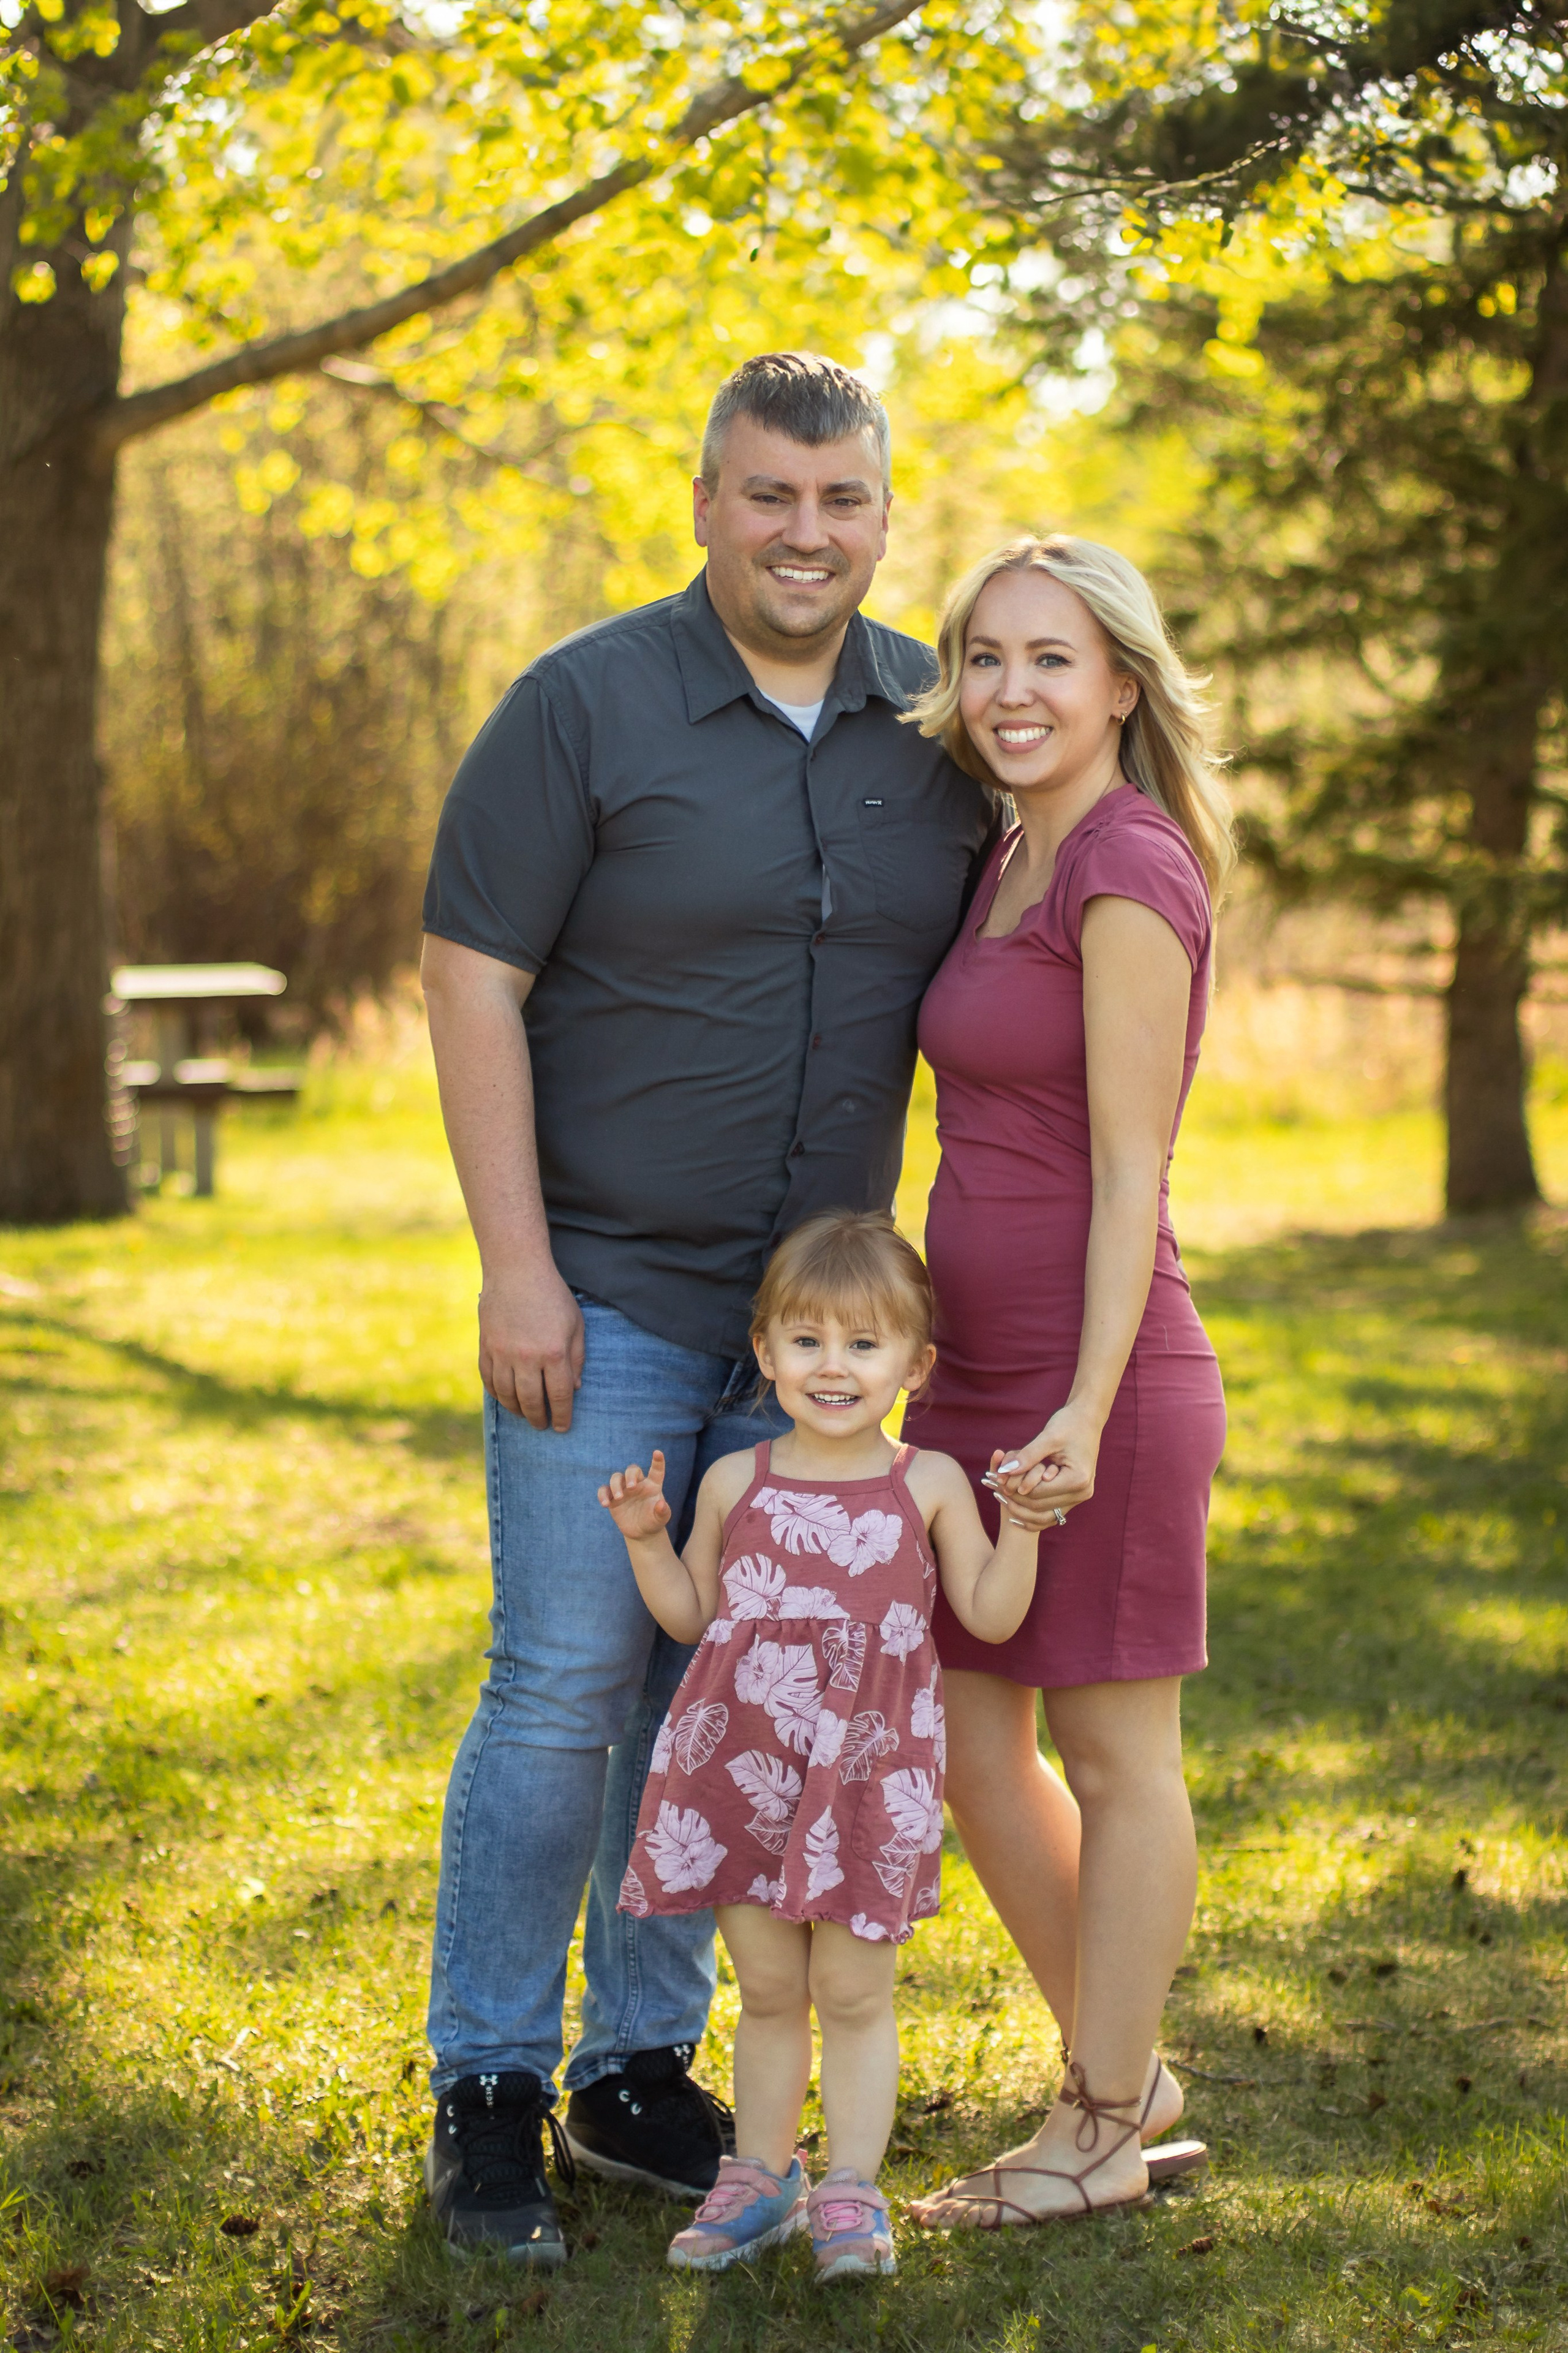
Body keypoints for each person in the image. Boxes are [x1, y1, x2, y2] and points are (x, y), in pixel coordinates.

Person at [417, 353, 998, 2265]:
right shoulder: (582, 705)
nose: (804, 534)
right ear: (706, 503)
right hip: (602, 1296)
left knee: (720, 1692)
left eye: (841, 500)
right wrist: (516, 1265)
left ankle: (638, 2066)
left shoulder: (939, 727)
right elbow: (470, 973)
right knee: (567, 1685)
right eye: (769, 494)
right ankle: (489, 2086)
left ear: (884, 514)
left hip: (813, 1344)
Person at [900, 535, 1232, 2229]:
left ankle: (1098, 2121)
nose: (1012, 691)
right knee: (971, 1743)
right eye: (985, 658)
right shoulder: (1005, 851)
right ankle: (1127, 2070)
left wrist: (1084, 1413)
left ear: (1118, 683)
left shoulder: (1125, 863)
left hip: (1095, 1379)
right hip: (967, 1376)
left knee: (1114, 1751)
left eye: (1050, 659)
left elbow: (1128, 1170)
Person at [597, 1212, 1042, 2281]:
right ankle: (761, 2176)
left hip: (867, 1778)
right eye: (807, 1340)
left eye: (863, 1343)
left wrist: (1023, 1524)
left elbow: (990, 1615)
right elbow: (691, 1615)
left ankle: (850, 2186)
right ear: (766, 1351)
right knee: (766, 1986)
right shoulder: (736, 1481)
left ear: (914, 1364)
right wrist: (648, 1540)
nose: (833, 1366)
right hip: (741, 1771)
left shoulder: (928, 1482)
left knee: (850, 1991)